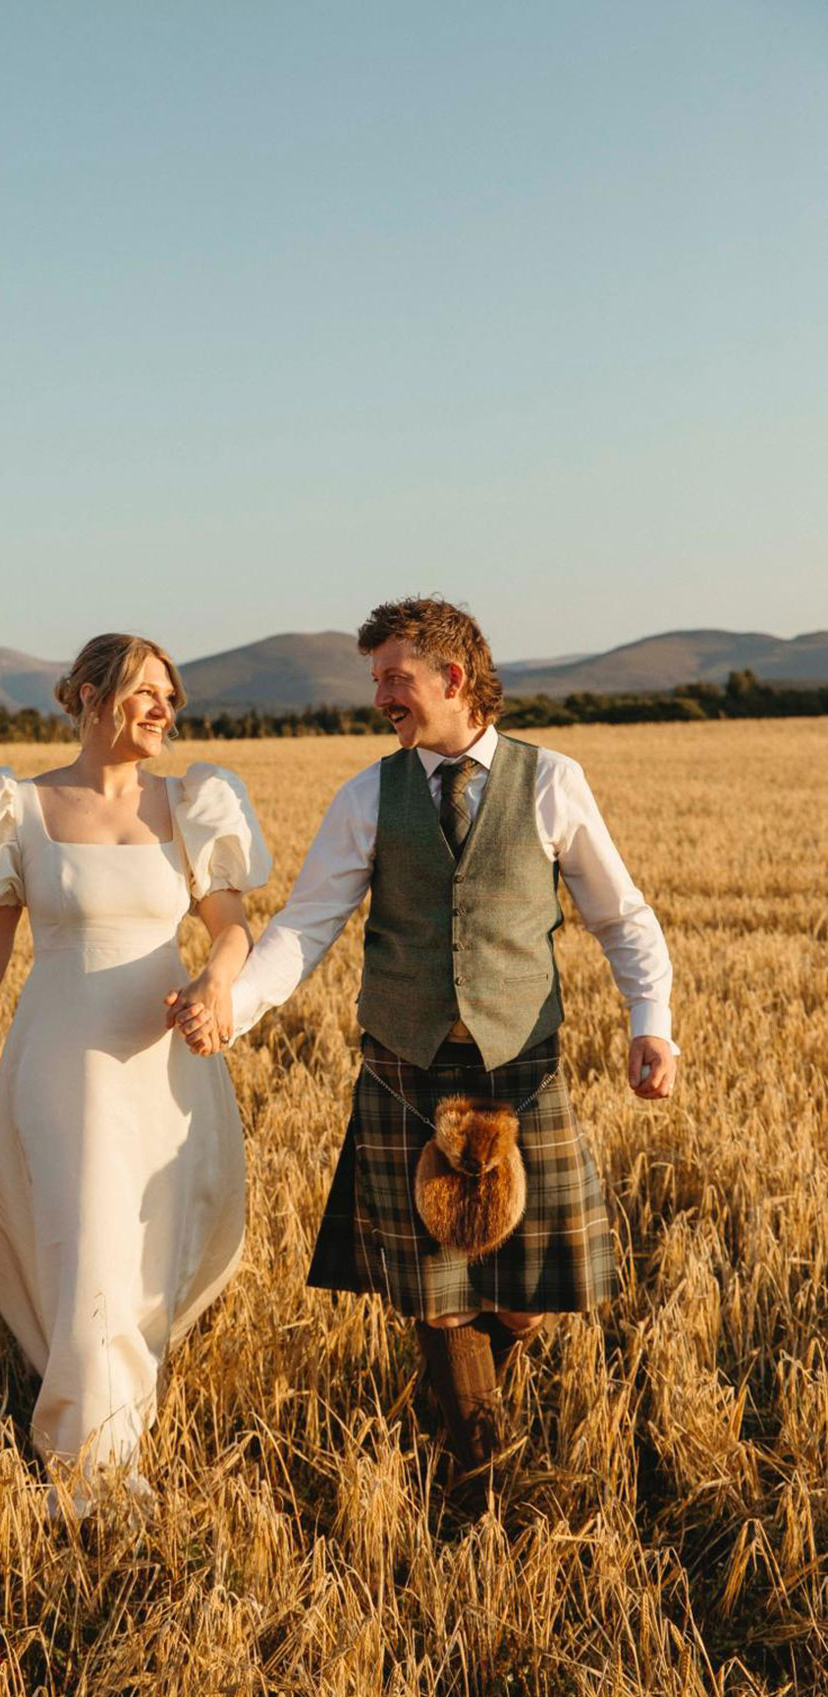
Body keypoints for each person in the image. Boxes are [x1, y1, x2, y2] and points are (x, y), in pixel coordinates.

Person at [174, 596, 677, 1496]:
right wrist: (236, 1007)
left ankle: (459, 1413)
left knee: (524, 1297)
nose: (380, 698)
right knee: (439, 1296)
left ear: (453, 678)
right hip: (407, 1068)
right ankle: (477, 1479)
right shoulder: (369, 793)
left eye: (394, 679)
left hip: (520, 1070)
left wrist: (652, 1024)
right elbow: (307, 925)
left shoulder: (552, 781)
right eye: (375, 681)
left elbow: (622, 917)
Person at [0, 633, 271, 1514]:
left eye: (172, 699)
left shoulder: (191, 804)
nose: (164, 711)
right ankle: (86, 1466)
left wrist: (215, 982)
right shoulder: (17, 806)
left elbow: (230, 927)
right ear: (92, 697)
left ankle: (108, 1433)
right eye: (147, 692)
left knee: (143, 1256)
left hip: (165, 1063)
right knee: (87, 1246)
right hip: (62, 1060)